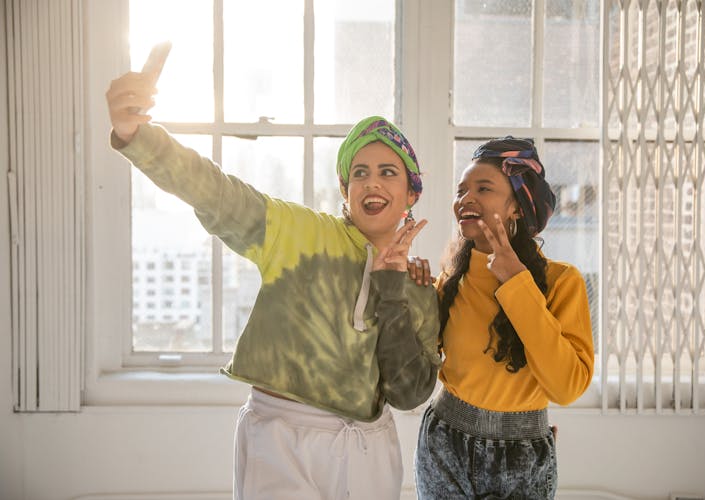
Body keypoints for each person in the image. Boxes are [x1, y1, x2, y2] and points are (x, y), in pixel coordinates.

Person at [106, 70, 441, 500]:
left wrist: (392, 287)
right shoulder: (299, 233)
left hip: (367, 449)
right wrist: (136, 135)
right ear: (345, 188)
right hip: (280, 440)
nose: (372, 182)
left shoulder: (419, 287)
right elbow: (217, 194)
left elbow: (409, 393)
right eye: (359, 172)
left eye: (387, 172)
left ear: (411, 193)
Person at [412, 137, 594, 499]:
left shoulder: (562, 282)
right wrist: (411, 295)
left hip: (523, 454)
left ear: (516, 206)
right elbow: (418, 357)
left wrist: (516, 283)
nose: (465, 198)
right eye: (461, 189)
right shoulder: (451, 280)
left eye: (484, 188)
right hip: (444, 440)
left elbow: (567, 386)